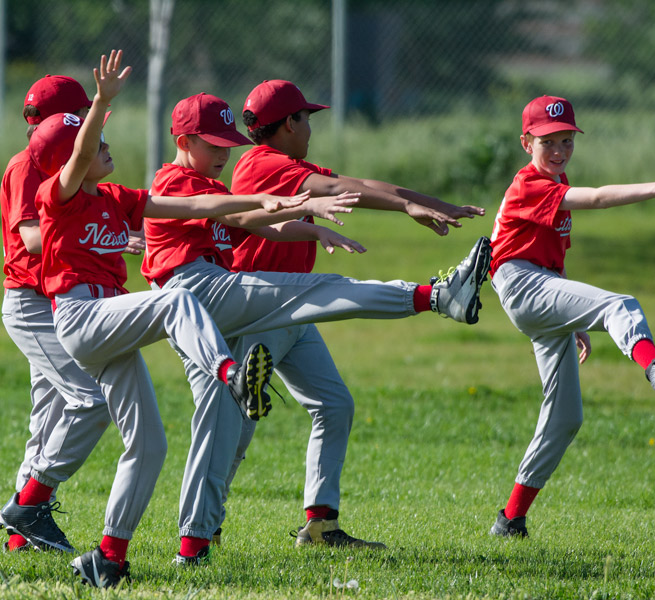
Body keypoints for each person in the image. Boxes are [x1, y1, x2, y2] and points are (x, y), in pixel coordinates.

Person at [11, 50, 321, 588]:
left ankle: (108, 557)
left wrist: (264, 203)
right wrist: (103, 100)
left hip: (109, 322)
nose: (104, 144)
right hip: (81, 318)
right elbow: (79, 154)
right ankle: (230, 376)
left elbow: (194, 208)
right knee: (177, 301)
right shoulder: (55, 194)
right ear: (72, 162)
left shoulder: (112, 196)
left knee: (150, 445)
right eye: (95, 142)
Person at [142, 91, 491, 564]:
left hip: (259, 303)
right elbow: (247, 212)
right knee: (228, 426)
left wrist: (313, 227)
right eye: (214, 144)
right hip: (234, 307)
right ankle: (435, 296)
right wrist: (302, 208)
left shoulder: (218, 180)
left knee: (322, 404)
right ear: (287, 123)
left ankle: (307, 524)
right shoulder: (210, 174)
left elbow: (254, 218)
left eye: (228, 143)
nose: (226, 152)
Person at [485, 95, 655, 538]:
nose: (558, 150)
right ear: (526, 143)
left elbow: (551, 260)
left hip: (537, 286)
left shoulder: (553, 179)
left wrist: (575, 322)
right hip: (521, 285)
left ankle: (511, 518)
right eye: (547, 142)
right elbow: (595, 198)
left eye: (566, 140)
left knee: (564, 417)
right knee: (620, 304)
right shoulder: (529, 184)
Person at [0, 73, 113, 553]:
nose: (86, 122)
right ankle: (26, 505)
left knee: (46, 420)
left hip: (59, 299)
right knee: (89, 401)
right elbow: (33, 238)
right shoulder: (28, 166)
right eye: (79, 113)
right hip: (33, 303)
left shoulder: (70, 165)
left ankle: (21, 538)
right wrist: (87, 234)